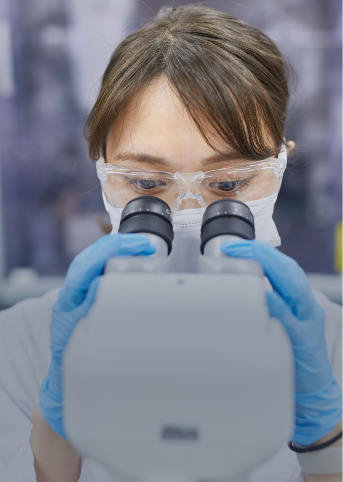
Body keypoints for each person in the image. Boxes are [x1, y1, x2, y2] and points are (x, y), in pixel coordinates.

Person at [1, 5, 343, 482]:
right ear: (102, 171)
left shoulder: (333, 348)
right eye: (144, 185)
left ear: (280, 166)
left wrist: (326, 445)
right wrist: (57, 439)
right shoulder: (18, 350)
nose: (189, 217)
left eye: (227, 186)